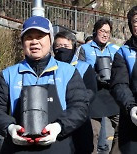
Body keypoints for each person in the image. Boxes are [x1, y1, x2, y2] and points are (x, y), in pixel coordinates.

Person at [0, 16, 90, 154]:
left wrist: (59, 127)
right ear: (23, 42)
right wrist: (10, 128)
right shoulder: (8, 75)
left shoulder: (68, 72)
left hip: (59, 147)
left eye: (40, 36)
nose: (34, 41)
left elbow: (80, 107)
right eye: (29, 37)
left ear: (50, 40)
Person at [78, 17, 120, 154]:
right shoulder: (84, 48)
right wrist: (94, 75)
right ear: (96, 31)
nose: (105, 34)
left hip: (111, 94)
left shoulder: (115, 49)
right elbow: (78, 69)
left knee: (123, 126)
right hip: (93, 94)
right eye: (102, 31)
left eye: (108, 32)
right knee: (93, 134)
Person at [53, 30, 96, 153]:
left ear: (73, 47)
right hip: (55, 120)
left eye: (66, 46)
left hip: (80, 121)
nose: (62, 50)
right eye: (58, 46)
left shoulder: (84, 67)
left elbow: (91, 91)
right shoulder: (49, 68)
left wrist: (74, 104)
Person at [110, 5, 137, 154]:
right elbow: (119, 84)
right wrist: (131, 107)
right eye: (136, 21)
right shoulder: (123, 52)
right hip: (132, 118)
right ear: (130, 25)